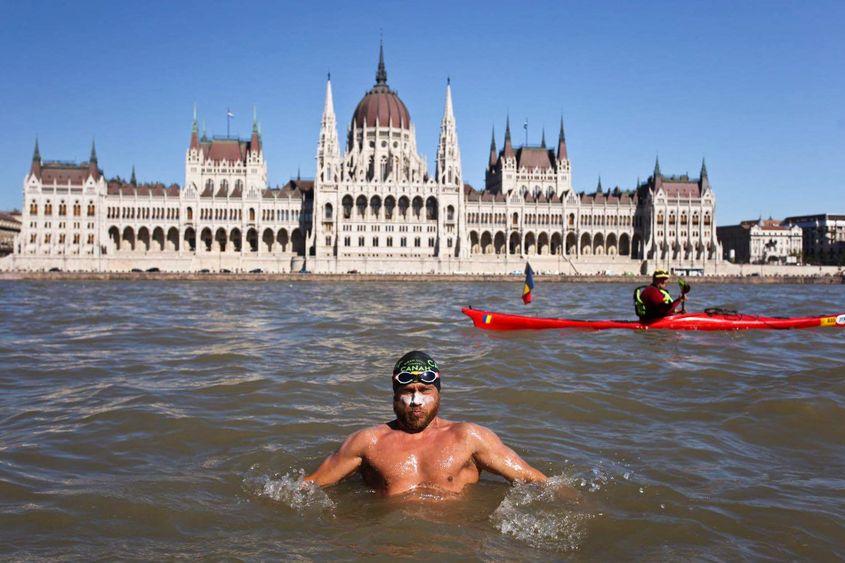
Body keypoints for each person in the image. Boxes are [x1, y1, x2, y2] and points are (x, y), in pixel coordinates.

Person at [304, 351, 577, 498]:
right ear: (394, 393)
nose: (415, 401)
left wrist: (578, 505)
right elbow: (310, 486)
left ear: (438, 392)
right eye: (407, 391)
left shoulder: (468, 438)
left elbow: (536, 481)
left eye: (424, 390)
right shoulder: (368, 442)